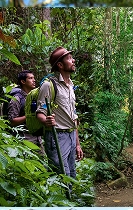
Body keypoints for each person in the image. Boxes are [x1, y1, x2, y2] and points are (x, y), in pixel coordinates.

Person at [36, 47, 83, 178]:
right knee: (62, 175)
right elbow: (40, 111)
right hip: (57, 137)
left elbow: (73, 117)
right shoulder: (49, 86)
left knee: (72, 175)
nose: (73, 60)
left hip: (71, 135)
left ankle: (71, 198)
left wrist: (77, 144)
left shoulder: (71, 87)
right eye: (69, 58)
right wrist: (45, 121)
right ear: (60, 65)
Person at [7, 70, 44, 152]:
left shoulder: (34, 96)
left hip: (38, 139)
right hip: (24, 141)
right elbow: (12, 121)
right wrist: (29, 116)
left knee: (43, 163)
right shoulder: (17, 99)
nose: (34, 80)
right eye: (30, 78)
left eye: (33, 78)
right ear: (23, 81)